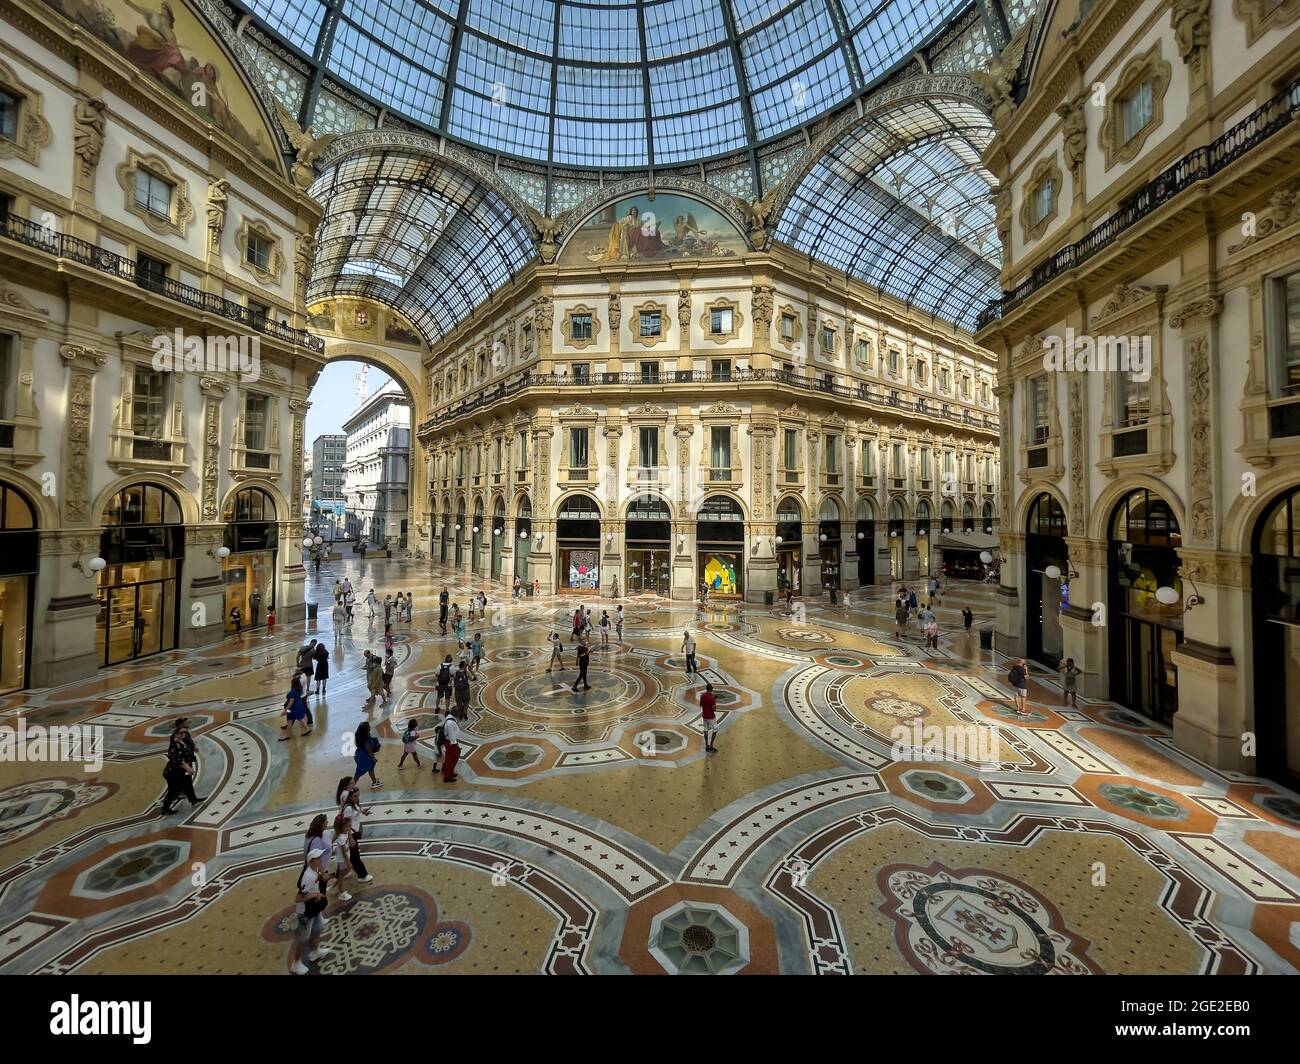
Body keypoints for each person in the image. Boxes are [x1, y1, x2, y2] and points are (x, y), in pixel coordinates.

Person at [288, 844, 331, 975]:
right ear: (312, 860)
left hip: (314, 909)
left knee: (317, 929)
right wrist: (315, 894)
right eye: (318, 858)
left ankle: (315, 952)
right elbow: (297, 898)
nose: (321, 859)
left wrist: (324, 876)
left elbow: (319, 882)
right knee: (303, 938)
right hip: (305, 913)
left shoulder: (315, 870)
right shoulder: (307, 876)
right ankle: (296, 963)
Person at [160, 719, 205, 813]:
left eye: (184, 732)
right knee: (173, 791)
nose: (183, 734)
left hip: (182, 771)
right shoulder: (174, 745)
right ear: (176, 734)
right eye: (181, 733)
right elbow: (176, 759)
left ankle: (193, 800)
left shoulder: (182, 742)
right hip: (174, 772)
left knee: (188, 784)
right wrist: (188, 768)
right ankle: (165, 809)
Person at [336, 777, 373, 883]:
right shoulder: (348, 808)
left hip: (353, 833)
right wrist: (350, 838)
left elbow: (357, 809)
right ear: (350, 797)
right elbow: (346, 824)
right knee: (354, 857)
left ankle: (343, 874)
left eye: (358, 795)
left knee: (351, 856)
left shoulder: (354, 804)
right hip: (351, 834)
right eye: (356, 796)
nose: (358, 798)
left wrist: (363, 812)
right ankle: (362, 875)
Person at [281, 675, 312, 740]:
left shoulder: (292, 692)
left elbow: (291, 702)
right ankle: (307, 729)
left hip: (293, 708)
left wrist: (285, 710)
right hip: (299, 706)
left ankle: (287, 735)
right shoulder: (299, 690)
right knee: (301, 718)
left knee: (289, 721)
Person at [354, 720, 382, 788]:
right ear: (366, 729)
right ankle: (350, 788)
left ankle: (374, 782)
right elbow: (369, 749)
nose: (370, 727)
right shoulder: (365, 740)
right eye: (369, 727)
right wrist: (373, 758)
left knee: (370, 768)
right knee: (358, 773)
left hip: (359, 755)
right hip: (364, 758)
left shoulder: (360, 735)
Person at [441, 711, 462, 783]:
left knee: (452, 759)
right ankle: (447, 777)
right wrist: (455, 745)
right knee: (450, 760)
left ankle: (450, 772)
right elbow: (451, 735)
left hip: (451, 743)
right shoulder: (450, 723)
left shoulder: (451, 719)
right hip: (451, 744)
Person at [701, 682, 719, 754]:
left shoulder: (702, 696)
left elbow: (702, 704)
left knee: (705, 729)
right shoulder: (712, 698)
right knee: (715, 730)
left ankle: (707, 745)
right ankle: (711, 745)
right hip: (711, 717)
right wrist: (714, 700)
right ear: (711, 689)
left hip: (704, 715)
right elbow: (714, 709)